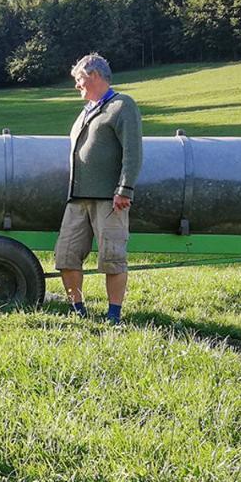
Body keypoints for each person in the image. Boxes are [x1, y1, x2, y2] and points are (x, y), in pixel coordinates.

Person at [54, 53, 143, 325]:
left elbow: (133, 151)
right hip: (77, 199)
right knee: (66, 255)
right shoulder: (86, 111)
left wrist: (124, 189)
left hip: (110, 199)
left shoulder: (121, 105)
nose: (77, 86)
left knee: (112, 257)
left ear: (93, 76)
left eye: (79, 79)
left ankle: (113, 315)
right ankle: (78, 310)